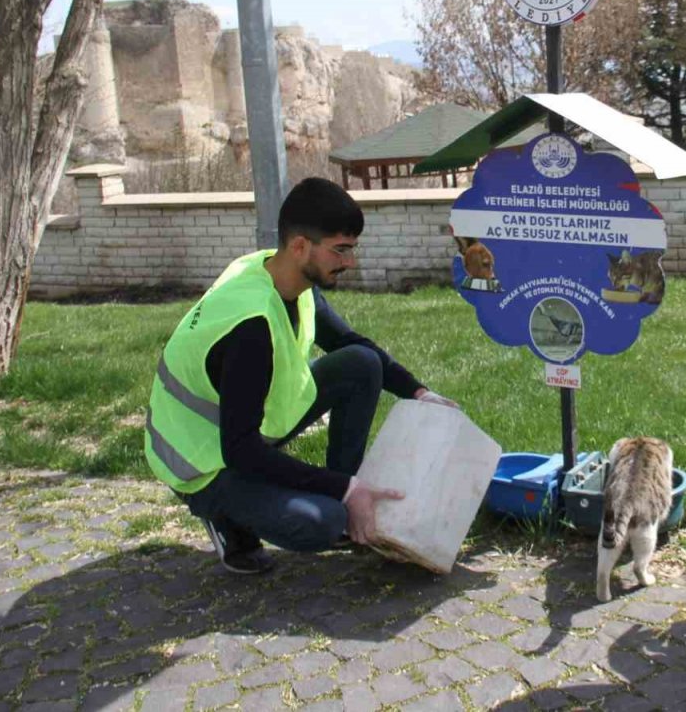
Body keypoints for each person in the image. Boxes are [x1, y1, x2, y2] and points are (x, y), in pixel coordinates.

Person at [146, 177, 459, 574]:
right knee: (321, 522)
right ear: (300, 246)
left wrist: (418, 393)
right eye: (341, 250)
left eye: (352, 249)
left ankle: (345, 497)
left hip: (240, 430)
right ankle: (227, 517)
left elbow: (350, 342)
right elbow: (239, 450)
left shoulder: (288, 278)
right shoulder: (251, 326)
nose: (350, 262)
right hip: (201, 463)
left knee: (362, 363)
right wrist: (346, 490)